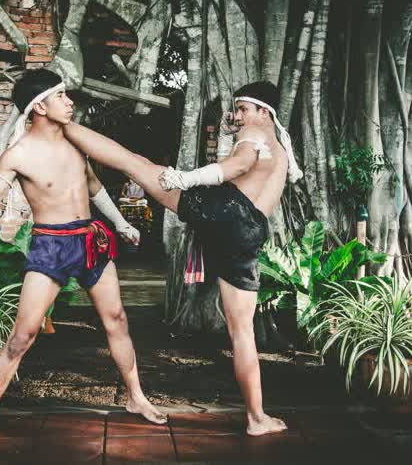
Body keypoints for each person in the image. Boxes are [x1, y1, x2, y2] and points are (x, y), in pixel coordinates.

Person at [62, 80, 303, 437]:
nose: (237, 115)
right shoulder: (278, 147)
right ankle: (256, 418)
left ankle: (62, 125)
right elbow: (246, 165)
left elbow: (237, 166)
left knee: (135, 163)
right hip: (250, 231)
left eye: (243, 109)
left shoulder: (254, 132)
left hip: (225, 210)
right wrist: (229, 133)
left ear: (263, 111)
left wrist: (185, 179)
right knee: (243, 333)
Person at [0, 69, 166, 462]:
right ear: (40, 106)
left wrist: (120, 224)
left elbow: (93, 187)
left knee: (117, 319)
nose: (69, 102)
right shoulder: (19, 153)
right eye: (61, 96)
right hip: (51, 245)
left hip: (90, 239)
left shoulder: (76, 140)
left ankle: (136, 397)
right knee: (22, 338)